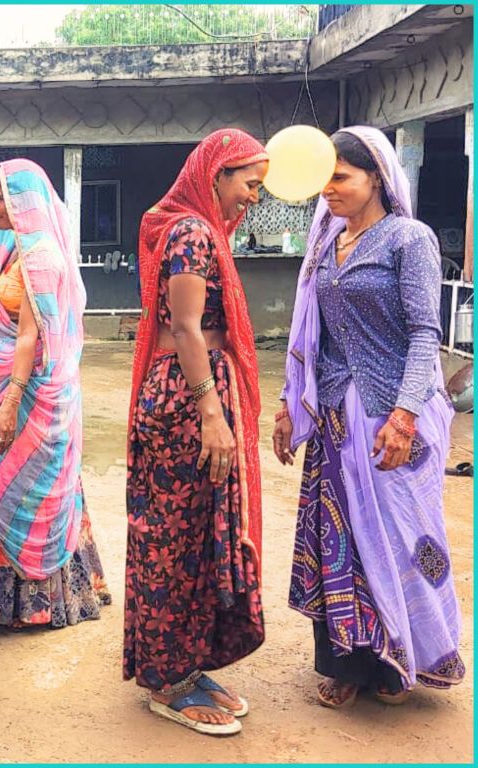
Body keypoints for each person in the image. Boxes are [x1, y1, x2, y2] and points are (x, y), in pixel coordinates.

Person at [275, 127, 465, 708]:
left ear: (376, 177)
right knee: (341, 538)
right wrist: (290, 403)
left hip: (393, 419)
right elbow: (315, 334)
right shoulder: (325, 244)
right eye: (324, 180)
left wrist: (404, 414)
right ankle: (354, 664)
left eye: (341, 178)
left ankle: (413, 654)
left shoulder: (409, 240)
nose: (329, 191)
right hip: (336, 415)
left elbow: (425, 333)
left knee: (406, 538)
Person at [124, 129, 269, 736]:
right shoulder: (190, 232)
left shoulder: (198, 229)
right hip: (187, 397)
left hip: (197, 390)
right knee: (173, 537)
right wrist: (211, 409)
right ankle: (166, 680)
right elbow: (185, 327)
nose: (253, 198)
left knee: (195, 533)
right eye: (249, 184)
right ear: (216, 175)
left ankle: (188, 661)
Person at [0, 160, 111, 630]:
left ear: (24, 202)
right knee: (4, 484)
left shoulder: (41, 256)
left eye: (0, 200)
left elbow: (29, 337)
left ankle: (36, 604)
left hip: (32, 396)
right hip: (9, 388)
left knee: (28, 490)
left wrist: (9, 401)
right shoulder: (10, 249)